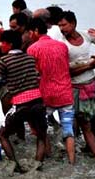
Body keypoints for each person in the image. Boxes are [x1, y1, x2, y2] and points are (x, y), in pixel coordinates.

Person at [0, 30, 47, 175]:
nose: (1, 46)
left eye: (2, 43)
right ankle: (38, 165)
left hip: (20, 103)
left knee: (2, 134)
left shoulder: (4, 61)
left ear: (8, 44)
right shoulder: (29, 57)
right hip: (38, 102)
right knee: (41, 136)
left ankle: (14, 163)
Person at [59, 11, 95, 159]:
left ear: (73, 24)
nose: (61, 28)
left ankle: (90, 146)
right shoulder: (61, 44)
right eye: (59, 25)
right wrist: (90, 65)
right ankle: (84, 149)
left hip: (91, 83)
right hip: (75, 86)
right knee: (82, 121)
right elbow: (67, 72)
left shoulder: (85, 35)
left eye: (64, 25)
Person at [27, 18, 75, 164]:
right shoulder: (62, 46)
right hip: (65, 93)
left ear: (35, 31)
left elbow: (34, 74)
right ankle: (72, 162)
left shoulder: (33, 49)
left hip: (46, 95)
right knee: (68, 129)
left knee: (41, 128)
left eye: (30, 32)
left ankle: (46, 156)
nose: (29, 35)